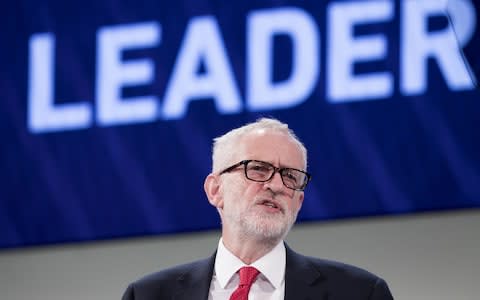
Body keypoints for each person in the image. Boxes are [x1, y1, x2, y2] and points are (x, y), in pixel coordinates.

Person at [121, 118, 394, 300]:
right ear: (215, 190)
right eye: (258, 169)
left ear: (298, 201)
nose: (276, 185)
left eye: (290, 176)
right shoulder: (148, 295)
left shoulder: (360, 293)